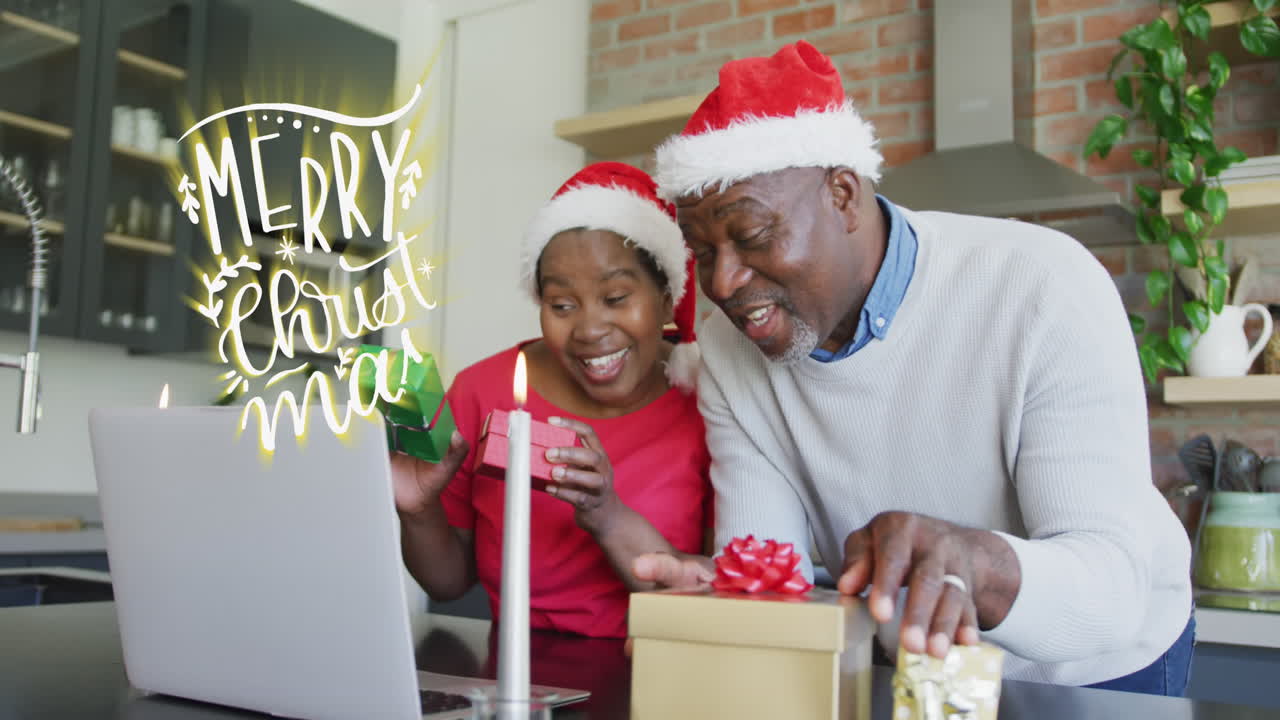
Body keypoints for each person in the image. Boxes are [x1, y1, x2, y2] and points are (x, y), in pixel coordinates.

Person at [632, 41, 1194, 695]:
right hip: (919, 661)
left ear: (843, 195)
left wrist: (977, 563)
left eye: (755, 237)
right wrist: (737, 594)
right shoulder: (729, 346)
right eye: (703, 249)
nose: (723, 284)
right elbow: (771, 562)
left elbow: (1112, 594)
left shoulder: (1041, 285)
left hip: (1095, 670)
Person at [393, 162, 711, 639]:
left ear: (667, 298)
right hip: (517, 681)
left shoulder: (712, 402)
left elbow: (724, 602)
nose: (589, 330)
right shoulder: (480, 391)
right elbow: (448, 583)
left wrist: (607, 515)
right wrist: (418, 511)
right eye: (562, 305)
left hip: (665, 675)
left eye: (617, 297)